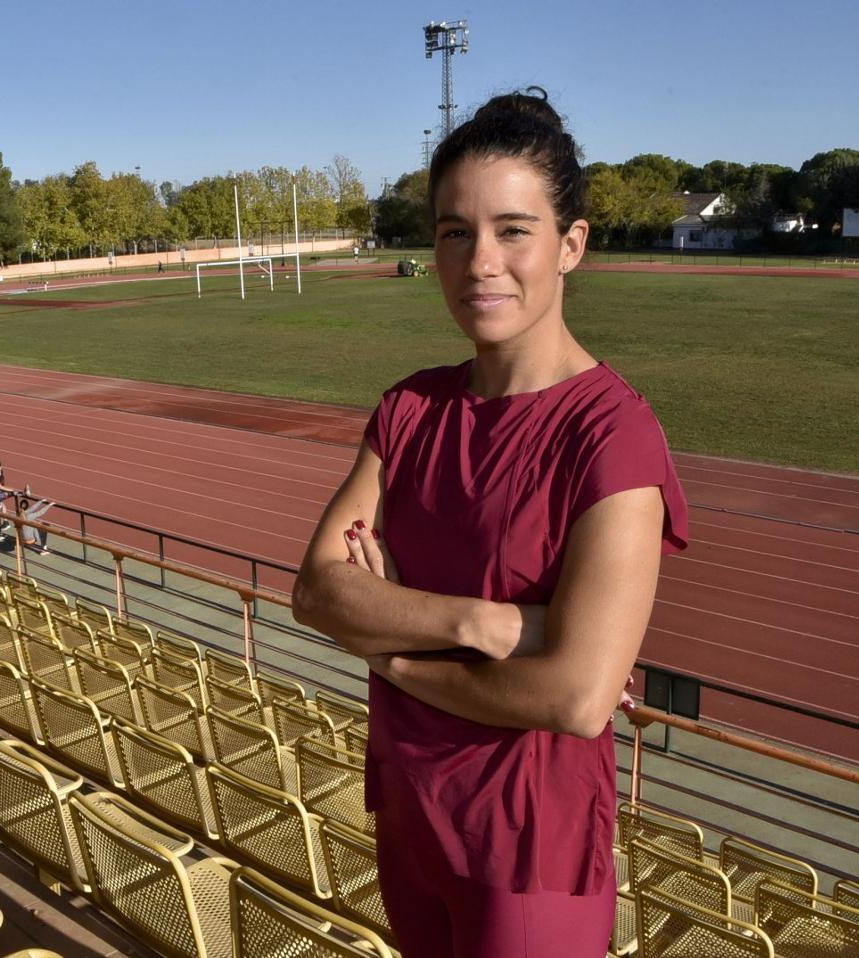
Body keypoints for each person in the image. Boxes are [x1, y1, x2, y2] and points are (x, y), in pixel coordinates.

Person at [291, 88, 688, 958]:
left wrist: (394, 654)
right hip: (409, 809)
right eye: (454, 232)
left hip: (525, 847)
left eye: (513, 230)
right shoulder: (409, 411)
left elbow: (576, 698)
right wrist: (490, 624)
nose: (480, 262)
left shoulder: (613, 435)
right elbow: (318, 592)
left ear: (570, 244)